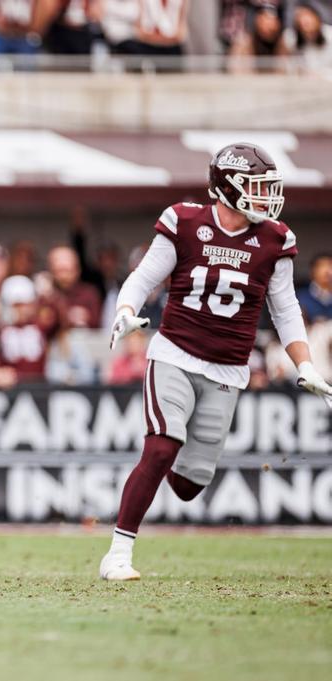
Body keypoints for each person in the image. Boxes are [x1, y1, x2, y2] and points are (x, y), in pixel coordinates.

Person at [100, 142, 332, 581]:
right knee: (162, 445)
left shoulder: (275, 239)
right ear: (228, 188)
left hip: (227, 369)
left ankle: (157, 471)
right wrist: (126, 313)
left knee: (188, 485)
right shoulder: (185, 222)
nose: (267, 197)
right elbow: (143, 278)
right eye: (257, 188)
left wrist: (305, 365)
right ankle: (117, 553)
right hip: (174, 353)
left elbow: (285, 311)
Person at [297, 252, 332, 323]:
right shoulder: (300, 297)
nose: (327, 271)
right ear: (312, 271)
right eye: (321, 266)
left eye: (330, 265)